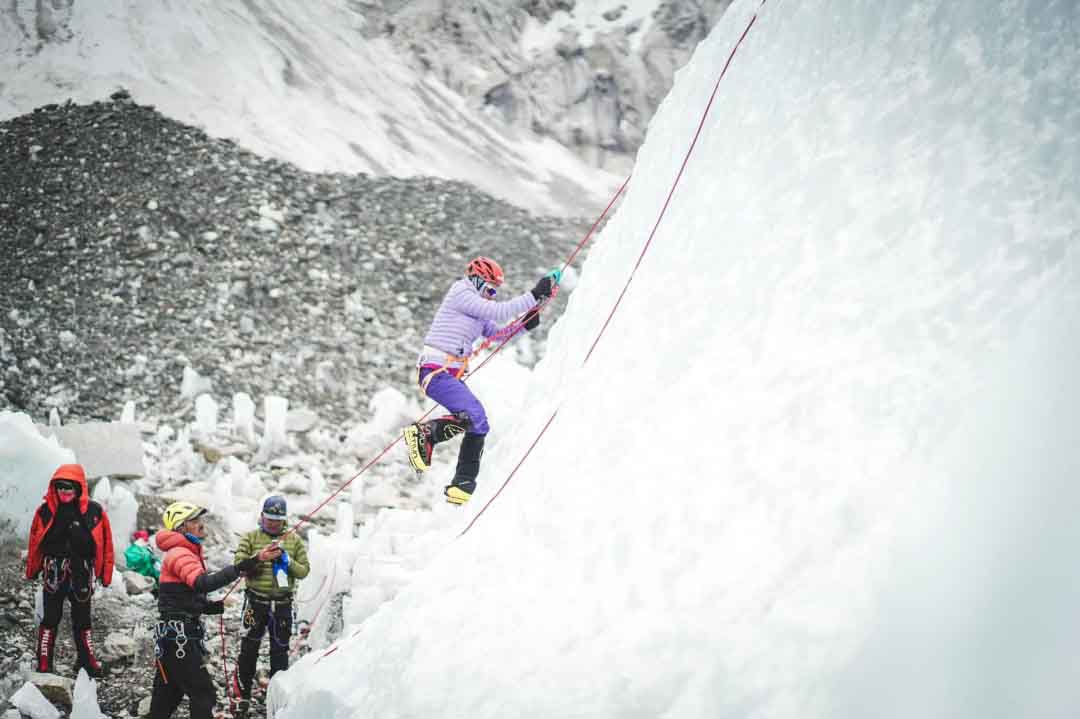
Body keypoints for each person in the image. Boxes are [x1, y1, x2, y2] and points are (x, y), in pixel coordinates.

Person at [403, 256, 560, 504]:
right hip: (435, 371)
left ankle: (462, 485)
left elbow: (497, 335)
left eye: (494, 291)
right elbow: (497, 311)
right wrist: (533, 295)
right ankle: (425, 434)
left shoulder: (477, 308)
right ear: (476, 280)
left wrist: (524, 325)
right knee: (473, 413)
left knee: (479, 423)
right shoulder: (461, 292)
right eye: (489, 289)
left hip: (448, 374)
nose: (491, 295)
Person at [150, 501, 279, 719]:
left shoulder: (181, 552)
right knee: (204, 694)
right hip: (180, 637)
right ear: (181, 528)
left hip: (172, 637)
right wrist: (242, 567)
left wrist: (212, 607)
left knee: (167, 697)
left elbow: (179, 597)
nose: (201, 524)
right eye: (194, 521)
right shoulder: (180, 553)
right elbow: (202, 584)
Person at [25, 463, 114, 677]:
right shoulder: (45, 511)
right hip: (54, 572)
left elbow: (106, 544)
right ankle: (44, 663)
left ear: (79, 487)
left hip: (81, 572)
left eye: (69, 487)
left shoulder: (94, 511)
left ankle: (86, 661)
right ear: (54, 487)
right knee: (50, 618)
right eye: (60, 486)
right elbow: (34, 541)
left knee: (83, 619)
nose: (64, 491)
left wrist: (105, 574)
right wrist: (32, 569)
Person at [232, 496, 310, 719]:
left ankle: (278, 704)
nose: (273, 523)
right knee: (248, 650)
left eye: (277, 520)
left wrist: (287, 561)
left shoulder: (293, 541)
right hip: (255, 603)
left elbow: (304, 571)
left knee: (280, 653)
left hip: (283, 606)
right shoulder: (250, 538)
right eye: (269, 519)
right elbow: (239, 566)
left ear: (284, 520)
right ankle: (241, 698)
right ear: (261, 517)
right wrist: (259, 558)